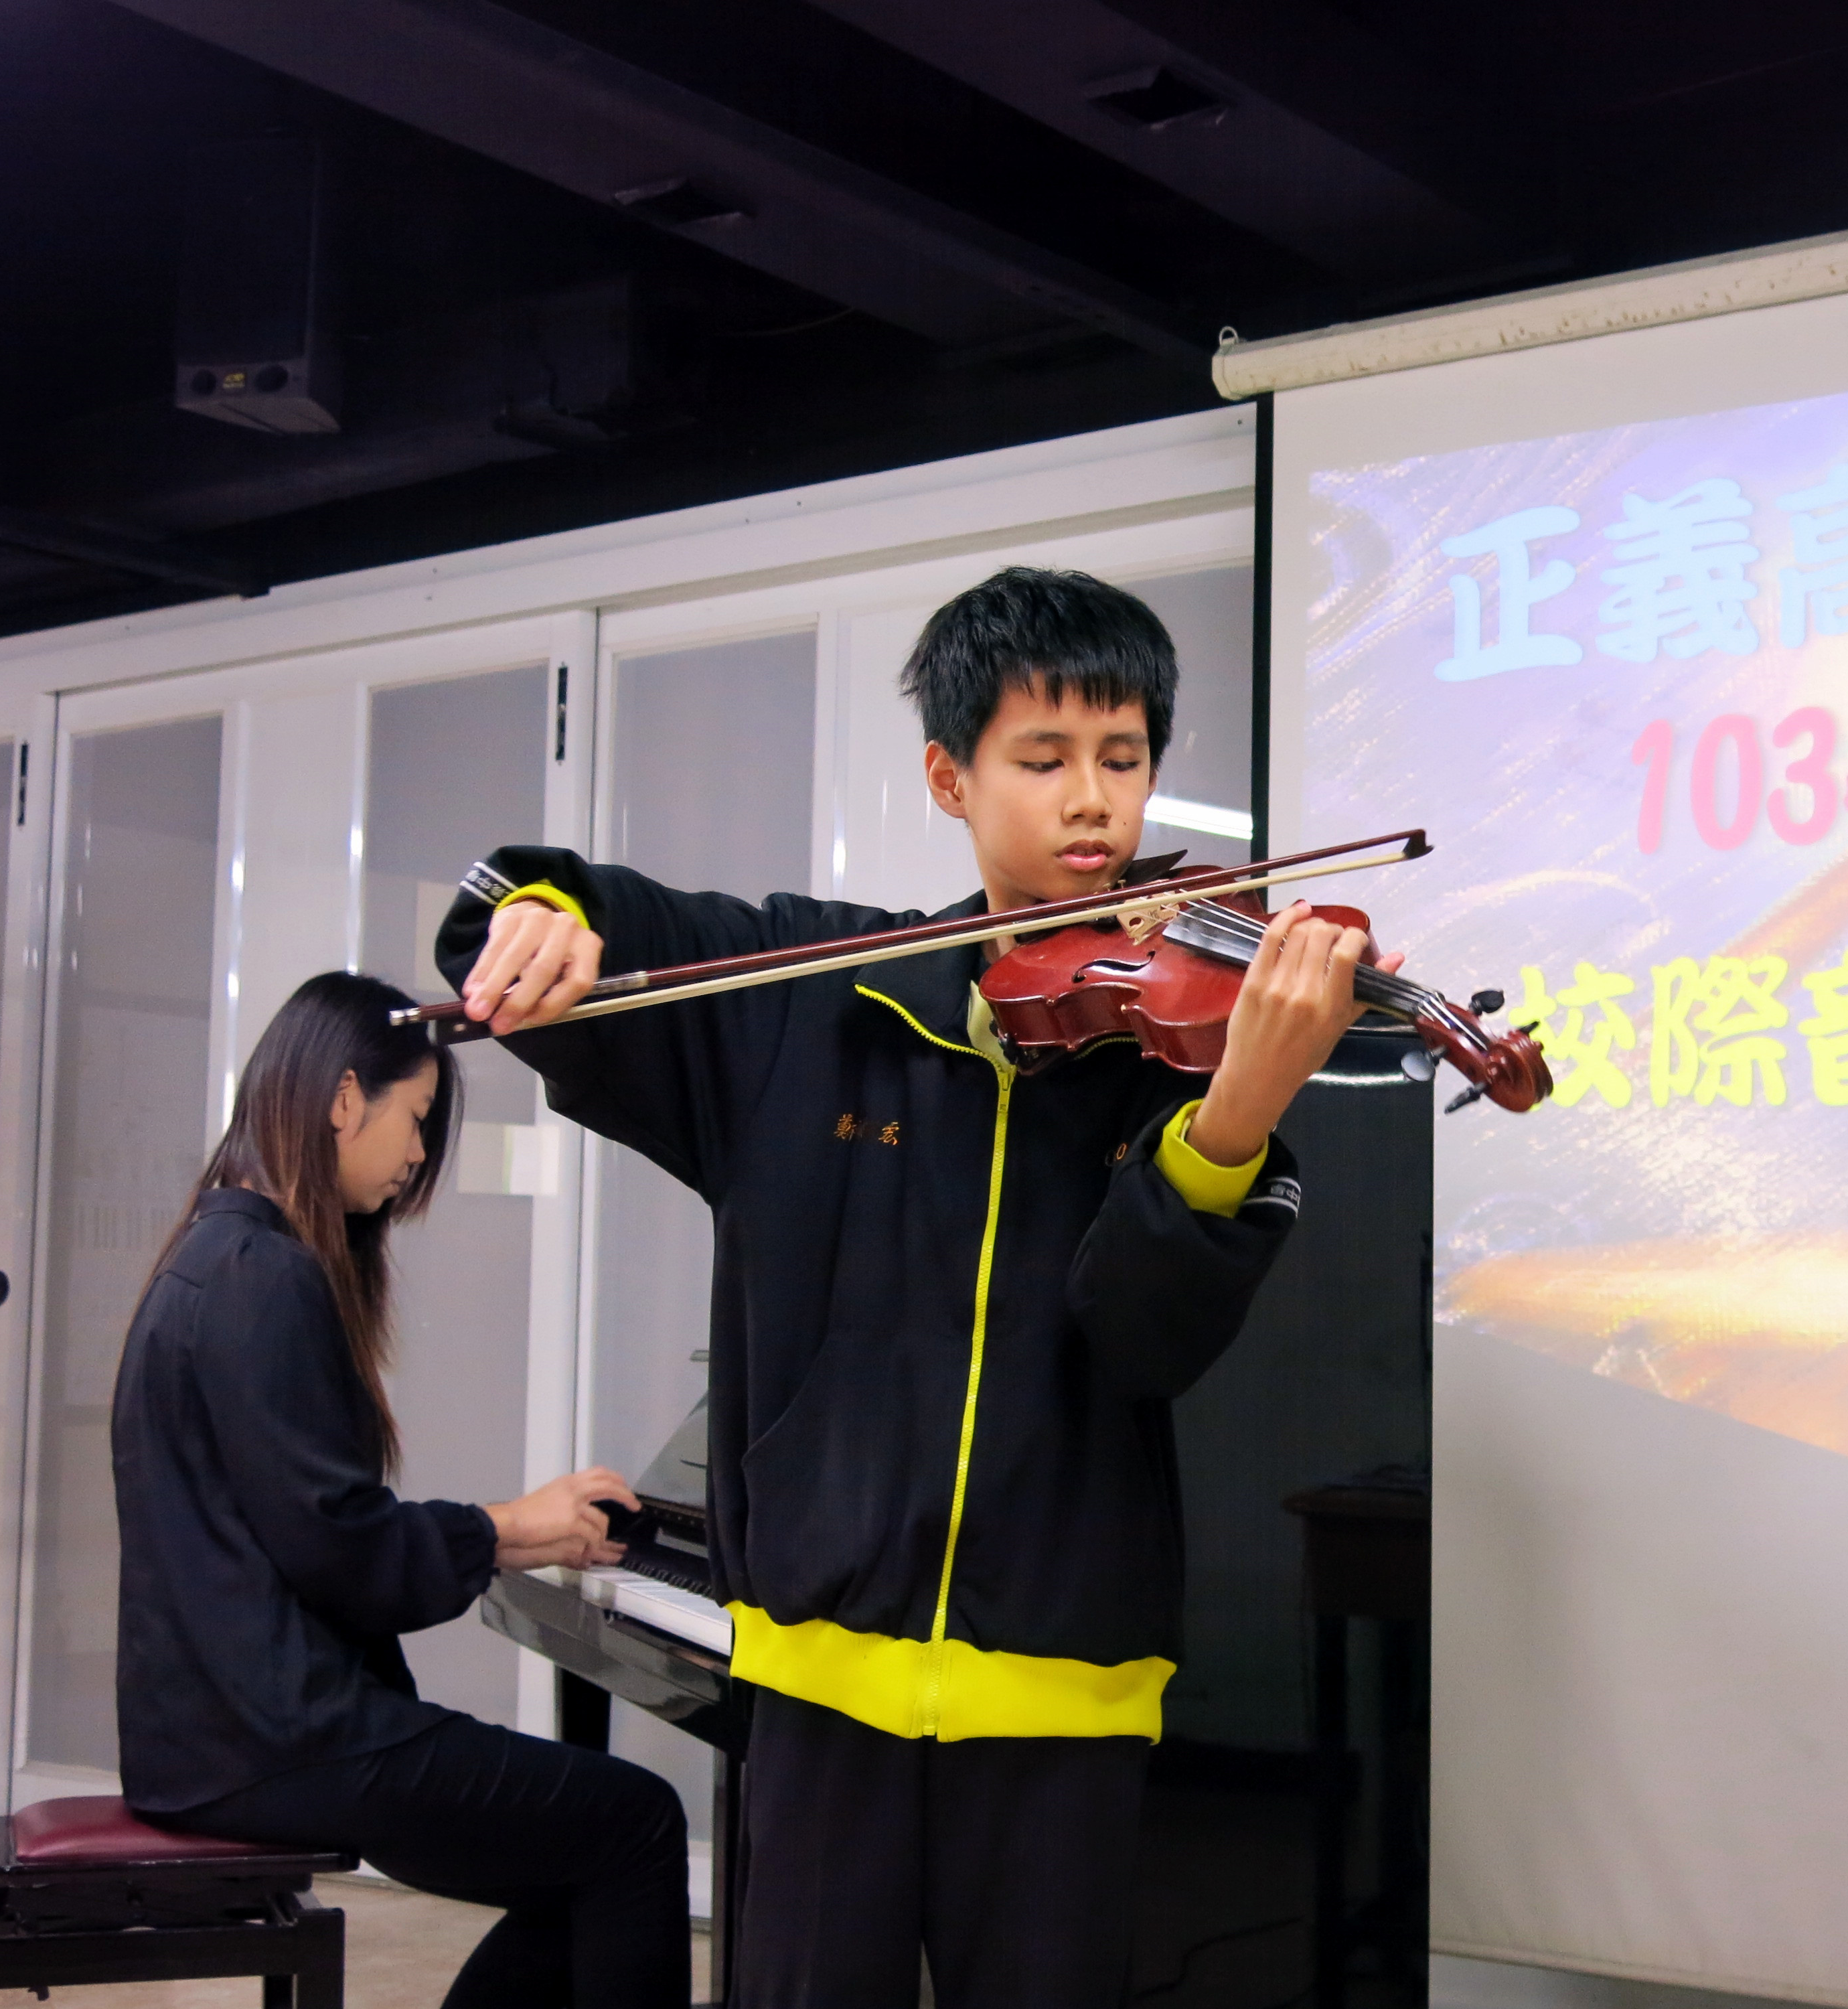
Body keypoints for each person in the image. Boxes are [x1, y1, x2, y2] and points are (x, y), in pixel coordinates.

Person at [440, 566, 1385, 2006]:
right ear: (950, 779)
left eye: (1124, 759)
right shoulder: (820, 999)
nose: (1094, 804)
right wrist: (540, 913)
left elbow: (1146, 1341)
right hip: (818, 1683)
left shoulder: (1172, 1060)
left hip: (1067, 1692)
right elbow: (549, 913)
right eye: (1044, 758)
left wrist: (1236, 1115)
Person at [110, 969, 691, 2009]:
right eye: (416, 1118)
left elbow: (310, 1533)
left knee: (582, 1854)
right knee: (635, 1824)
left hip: (220, 1733)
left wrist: (524, 1535)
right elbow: (344, 1552)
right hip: (276, 1741)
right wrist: (506, 1526)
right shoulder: (264, 1275)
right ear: (345, 1099)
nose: (420, 1154)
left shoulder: (215, 1256)